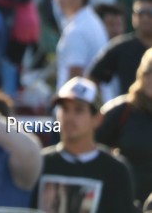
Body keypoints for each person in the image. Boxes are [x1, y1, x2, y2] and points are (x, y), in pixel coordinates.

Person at [32, 77, 135, 213]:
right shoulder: (38, 163)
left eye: (78, 110)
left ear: (97, 119)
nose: (69, 117)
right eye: (64, 109)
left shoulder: (116, 171)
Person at [96, 47, 152, 203]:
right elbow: (91, 146)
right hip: (125, 199)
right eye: (148, 72)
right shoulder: (123, 110)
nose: (150, 79)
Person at [89, 0, 152, 96]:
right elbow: (91, 79)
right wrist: (99, 109)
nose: (145, 18)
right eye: (140, 12)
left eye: (150, 13)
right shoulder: (120, 47)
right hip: (131, 111)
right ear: (133, 16)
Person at [52, 0, 108, 90]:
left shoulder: (77, 30)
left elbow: (75, 78)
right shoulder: (90, 21)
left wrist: (66, 107)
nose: (58, 0)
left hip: (79, 104)